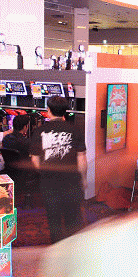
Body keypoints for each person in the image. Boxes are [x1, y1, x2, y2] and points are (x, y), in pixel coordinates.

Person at [30, 95, 87, 243]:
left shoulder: (39, 131)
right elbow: (81, 158)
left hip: (49, 184)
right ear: (65, 111)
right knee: (72, 220)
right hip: (71, 182)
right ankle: (73, 249)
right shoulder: (75, 130)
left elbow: (35, 160)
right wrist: (84, 179)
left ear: (48, 110)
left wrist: (44, 173)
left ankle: (57, 248)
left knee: (54, 220)